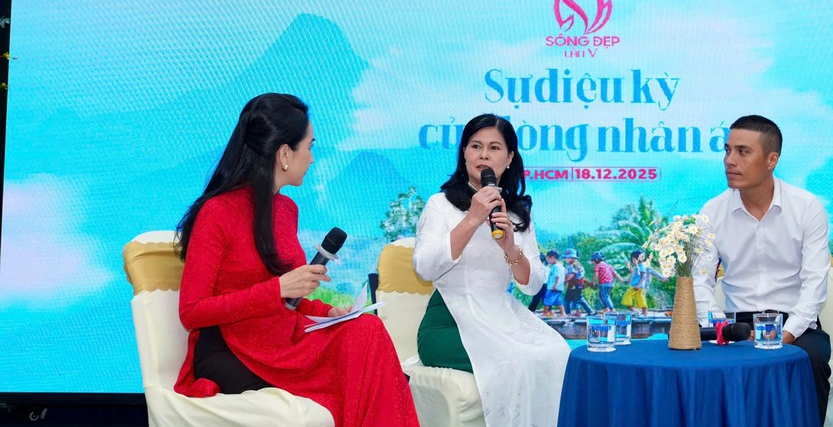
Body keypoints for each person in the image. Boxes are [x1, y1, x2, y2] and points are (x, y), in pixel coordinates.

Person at [173, 93, 418, 427]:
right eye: (309, 147)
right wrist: (276, 289)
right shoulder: (217, 212)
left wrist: (326, 313)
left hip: (280, 338)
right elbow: (192, 311)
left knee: (365, 329)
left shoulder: (287, 209)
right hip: (233, 348)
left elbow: (288, 302)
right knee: (364, 354)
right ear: (285, 154)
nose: (313, 158)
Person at [413, 113, 570, 427]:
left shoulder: (517, 214)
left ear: (509, 158)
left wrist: (511, 248)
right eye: (476, 146)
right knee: (518, 358)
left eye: (494, 148)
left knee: (559, 352)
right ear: (464, 153)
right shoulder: (440, 204)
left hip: (501, 316)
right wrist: (473, 218)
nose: (483, 155)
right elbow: (424, 268)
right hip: (448, 321)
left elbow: (532, 285)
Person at [692, 114, 833, 424]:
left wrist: (785, 335)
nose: (730, 160)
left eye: (743, 152)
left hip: (795, 324)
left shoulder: (806, 207)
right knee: (699, 366)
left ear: (772, 160)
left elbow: (815, 283)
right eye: (727, 150)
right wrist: (721, 329)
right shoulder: (712, 210)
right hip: (735, 323)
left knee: (809, 360)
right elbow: (699, 282)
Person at [619, 249, 662, 316]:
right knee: (640, 299)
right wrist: (629, 266)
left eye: (633, 259)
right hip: (637, 286)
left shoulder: (641, 266)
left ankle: (634, 310)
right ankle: (643, 312)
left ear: (636, 259)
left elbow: (644, 276)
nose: (632, 260)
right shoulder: (639, 266)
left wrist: (638, 285)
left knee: (627, 296)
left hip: (637, 286)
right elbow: (634, 273)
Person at [562, 249, 595, 316]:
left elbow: (572, 274)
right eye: (566, 258)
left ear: (574, 258)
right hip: (572, 285)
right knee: (569, 299)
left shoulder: (576, 265)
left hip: (576, 284)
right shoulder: (569, 265)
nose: (566, 259)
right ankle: (568, 312)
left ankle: (590, 311)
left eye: (568, 258)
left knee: (577, 299)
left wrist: (565, 280)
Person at [542, 250, 566, 317]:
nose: (548, 261)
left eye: (548, 259)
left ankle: (545, 313)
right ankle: (563, 313)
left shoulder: (555, 267)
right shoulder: (561, 266)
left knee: (547, 301)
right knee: (559, 302)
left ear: (552, 257)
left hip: (553, 287)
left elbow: (557, 277)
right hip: (559, 287)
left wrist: (555, 285)